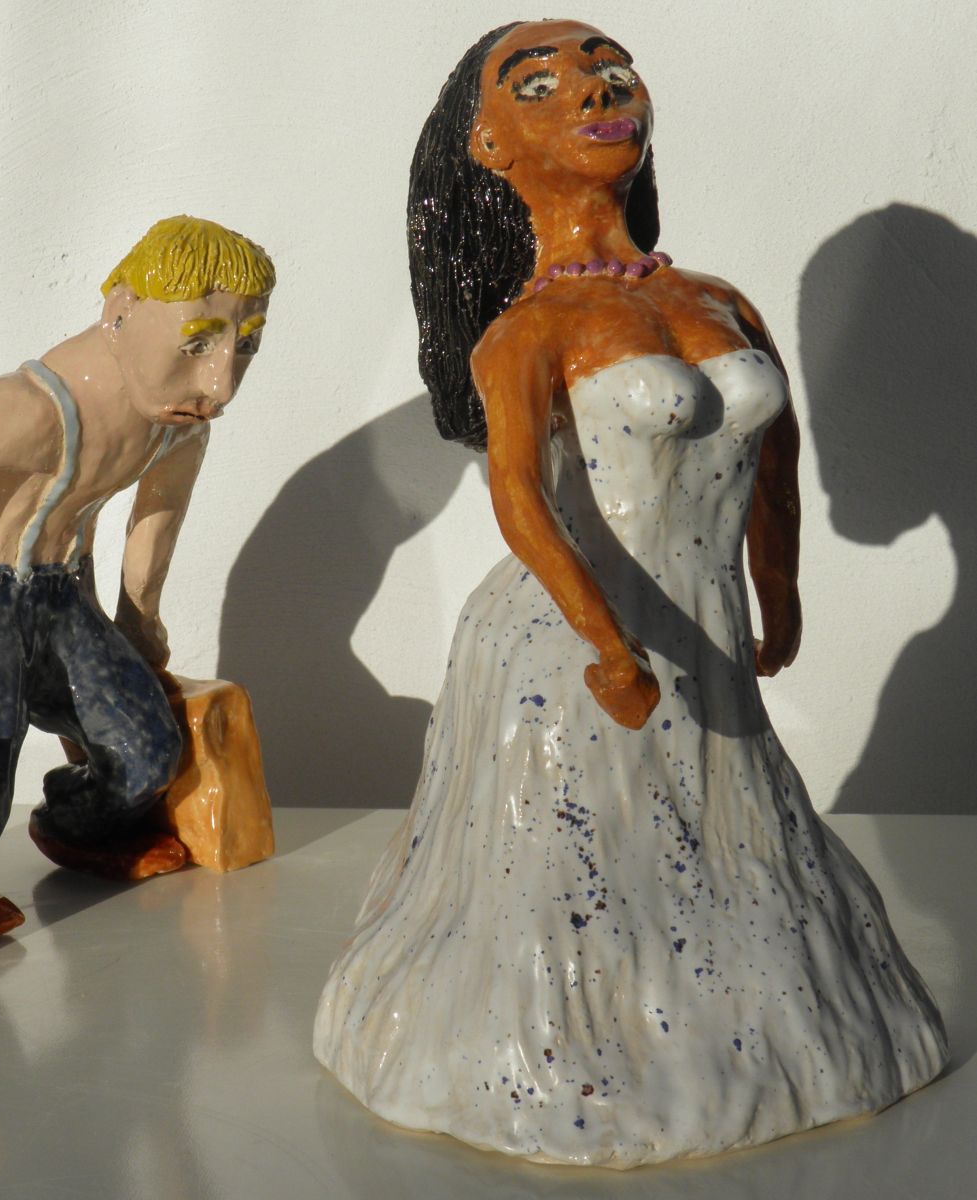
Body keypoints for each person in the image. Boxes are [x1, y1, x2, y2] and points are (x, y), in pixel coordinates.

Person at [313, 22, 947, 1166]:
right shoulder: (524, 332)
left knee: (740, 856)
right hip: (568, 652)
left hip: (705, 626)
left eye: (607, 65)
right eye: (538, 84)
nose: (594, 89)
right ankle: (573, 1076)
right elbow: (518, 499)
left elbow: (776, 464)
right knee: (585, 885)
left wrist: (780, 586)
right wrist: (604, 645)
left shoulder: (719, 299)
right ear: (491, 146)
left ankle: (758, 1062)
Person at [0, 215, 273, 875]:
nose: (221, 385)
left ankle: (74, 831)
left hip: (66, 600)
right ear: (120, 311)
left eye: (245, 345)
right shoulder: (21, 410)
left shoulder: (180, 428)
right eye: (197, 343)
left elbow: (155, 523)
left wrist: (139, 623)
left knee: (145, 755)